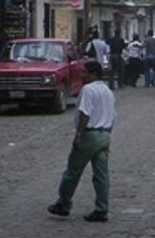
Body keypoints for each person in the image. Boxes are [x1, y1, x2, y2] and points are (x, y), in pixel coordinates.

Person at [47, 59, 116, 222]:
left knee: (72, 172)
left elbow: (85, 113)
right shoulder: (108, 91)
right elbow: (113, 116)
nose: (82, 75)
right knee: (101, 175)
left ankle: (63, 204)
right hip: (104, 134)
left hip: (89, 135)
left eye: (85, 72)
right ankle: (102, 209)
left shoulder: (88, 90)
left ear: (94, 74)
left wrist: (79, 134)